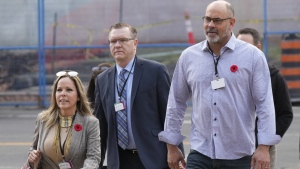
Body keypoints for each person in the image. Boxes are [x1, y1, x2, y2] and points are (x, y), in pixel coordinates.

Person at [158, 1, 281, 169]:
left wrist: (264, 147)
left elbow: (264, 104)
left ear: (231, 23)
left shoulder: (253, 57)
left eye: (217, 20)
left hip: (239, 156)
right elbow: (176, 102)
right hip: (200, 153)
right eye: (207, 19)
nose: (210, 25)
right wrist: (171, 146)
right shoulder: (189, 57)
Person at [93, 22, 184, 169]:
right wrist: (95, 163)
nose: (117, 45)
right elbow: (100, 128)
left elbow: (170, 114)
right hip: (119, 161)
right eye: (113, 41)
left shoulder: (155, 71)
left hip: (153, 159)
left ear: (135, 43)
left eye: (123, 40)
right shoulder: (102, 80)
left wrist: (176, 151)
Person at [237, 27, 293, 169]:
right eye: (237, 47)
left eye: (247, 47)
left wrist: (265, 144)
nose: (241, 52)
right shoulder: (228, 74)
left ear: (258, 48)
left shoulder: (273, 76)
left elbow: (285, 114)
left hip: (261, 150)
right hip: (231, 151)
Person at [25, 70, 101, 169]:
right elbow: (34, 148)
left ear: (78, 96)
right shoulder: (43, 119)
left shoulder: (90, 123)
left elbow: (93, 157)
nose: (63, 94)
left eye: (69, 90)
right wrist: (32, 156)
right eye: (59, 90)